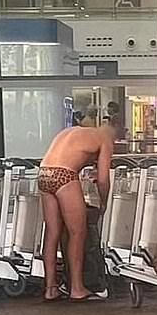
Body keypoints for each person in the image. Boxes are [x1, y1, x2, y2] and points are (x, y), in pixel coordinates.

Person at [38, 123, 115, 302]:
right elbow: (103, 180)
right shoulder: (105, 141)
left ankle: (50, 288)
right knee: (78, 233)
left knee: (52, 232)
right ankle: (77, 288)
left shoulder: (71, 131)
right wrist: (104, 203)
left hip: (44, 172)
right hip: (65, 175)